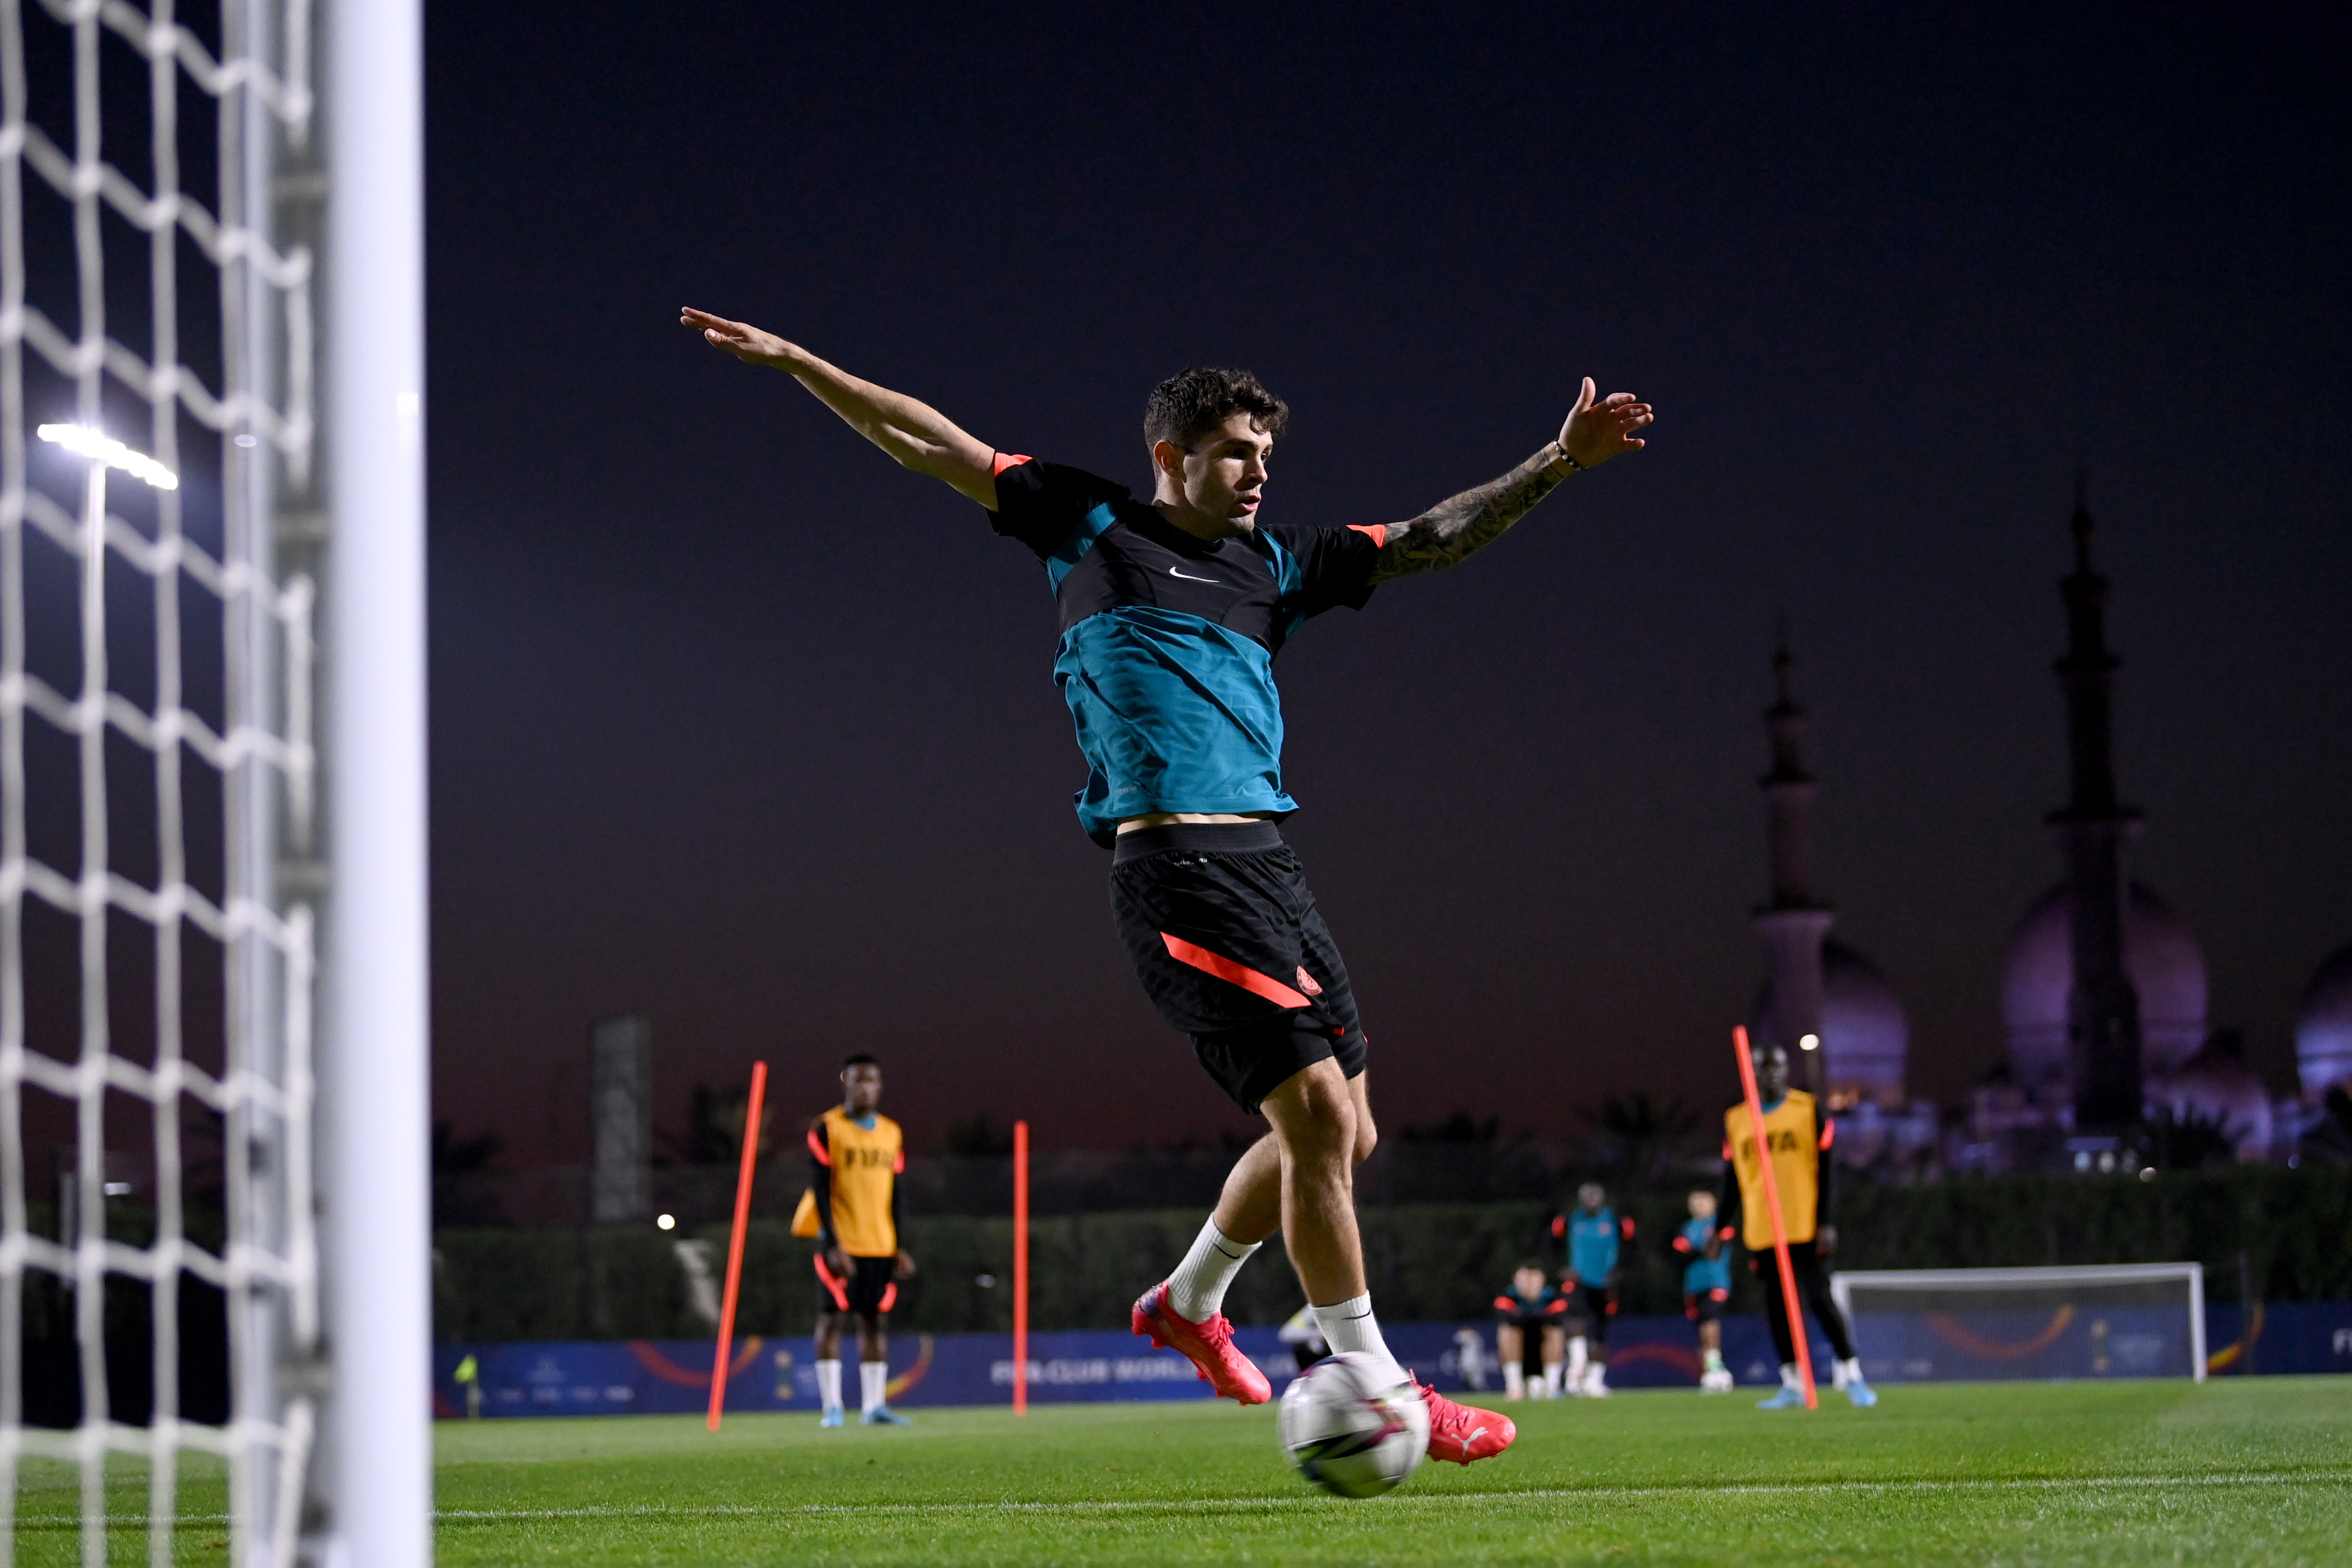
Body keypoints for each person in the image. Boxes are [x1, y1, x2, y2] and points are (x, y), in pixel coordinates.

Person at [684, 305, 1653, 1466]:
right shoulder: (1092, 524)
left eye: (1266, 456)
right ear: (1172, 455)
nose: (1256, 474)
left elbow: (1431, 536)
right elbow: (927, 442)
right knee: (1310, 1118)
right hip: (1177, 868)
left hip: (1273, 862)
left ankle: (1188, 1303)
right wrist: (800, 362)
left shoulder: (1277, 564)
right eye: (1236, 451)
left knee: (1353, 1133)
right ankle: (1385, 1386)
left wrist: (1559, 460)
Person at [1718, 1040, 1876, 1409]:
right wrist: (1719, 1228)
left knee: (1820, 1298)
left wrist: (1826, 1222)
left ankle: (1851, 1373)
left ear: (1787, 1070)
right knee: (1776, 1306)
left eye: (1777, 1066)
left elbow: (1827, 1173)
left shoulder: (1807, 1110)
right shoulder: (1738, 1119)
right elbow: (1731, 1180)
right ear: (1751, 1072)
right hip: (1763, 1228)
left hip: (1804, 1224)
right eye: (1762, 1067)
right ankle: (1792, 1382)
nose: (1770, 1074)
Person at [789, 1053, 917, 1426]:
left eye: (873, 1080)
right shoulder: (827, 1128)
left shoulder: (892, 1132)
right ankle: (832, 1407)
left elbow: (897, 1193)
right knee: (831, 1319)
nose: (866, 1087)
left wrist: (900, 1245)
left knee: (875, 1322)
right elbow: (820, 1188)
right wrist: (832, 1243)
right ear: (846, 1081)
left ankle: (874, 1406)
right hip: (842, 1243)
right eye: (859, 1080)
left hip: (880, 1244)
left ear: (880, 1085)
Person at [1554, 1182, 1632, 1396]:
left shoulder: (1616, 1219)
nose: (1591, 1201)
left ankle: (1595, 1381)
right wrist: (1561, 1267)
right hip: (1578, 1281)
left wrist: (1620, 1270)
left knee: (1600, 1333)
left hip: (1605, 1284)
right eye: (1587, 1196)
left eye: (1595, 1196)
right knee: (1574, 1319)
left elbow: (1634, 1245)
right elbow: (1551, 1242)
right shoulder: (1570, 1219)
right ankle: (1577, 1366)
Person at [1673, 1189, 1736, 1392]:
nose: (1699, 1206)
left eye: (1703, 1202)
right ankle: (1710, 1372)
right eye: (1695, 1203)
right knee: (1700, 1325)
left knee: (1710, 1317)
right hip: (1693, 1285)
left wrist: (1695, 1250)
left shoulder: (1720, 1223)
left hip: (1716, 1282)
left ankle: (1715, 1363)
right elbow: (1679, 1253)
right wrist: (1697, 1251)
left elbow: (1715, 1249)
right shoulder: (1688, 1227)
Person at [1491, 1260, 1568, 1400]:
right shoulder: (1507, 1297)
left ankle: (1552, 1387)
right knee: (1508, 1331)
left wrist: (1527, 1315)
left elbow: (1557, 1319)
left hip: (1543, 1354)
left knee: (1554, 1332)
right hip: (1520, 1356)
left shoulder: (1553, 1297)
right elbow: (1507, 1318)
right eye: (1524, 1280)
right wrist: (1537, 1315)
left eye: (1533, 1280)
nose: (1529, 1285)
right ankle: (1515, 1388)